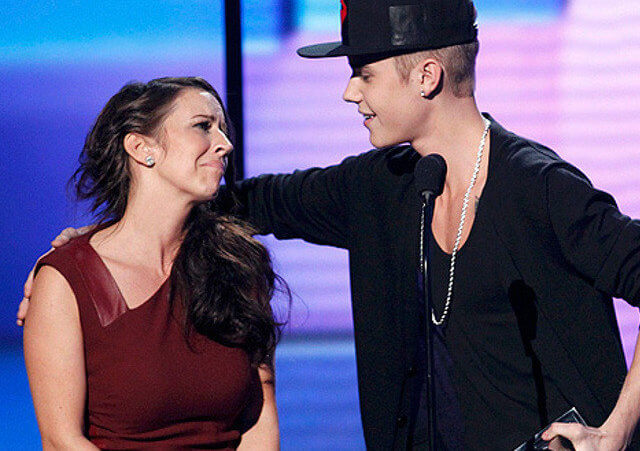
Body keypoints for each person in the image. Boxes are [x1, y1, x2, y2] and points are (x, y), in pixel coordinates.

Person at [19, 1, 640, 449]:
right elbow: (246, 201)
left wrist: (614, 431)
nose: (349, 93)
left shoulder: (539, 187)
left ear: (426, 76)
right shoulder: (381, 185)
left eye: (364, 74)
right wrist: (96, 251)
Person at [22, 77, 283, 449]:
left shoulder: (238, 263)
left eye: (223, 129)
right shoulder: (69, 278)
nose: (224, 145)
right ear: (142, 147)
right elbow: (62, 440)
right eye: (203, 126)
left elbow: (259, 422)